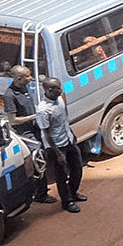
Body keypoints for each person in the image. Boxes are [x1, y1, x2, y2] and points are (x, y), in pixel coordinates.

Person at [2, 65, 56, 204]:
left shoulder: (24, 88)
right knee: (38, 160)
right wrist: (33, 116)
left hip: (35, 129)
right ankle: (40, 194)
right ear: (19, 78)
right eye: (28, 76)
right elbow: (12, 120)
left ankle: (40, 189)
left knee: (46, 154)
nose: (31, 78)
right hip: (25, 134)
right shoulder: (10, 95)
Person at [36, 77, 86, 213]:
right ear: (50, 90)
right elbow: (46, 134)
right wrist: (58, 153)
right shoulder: (43, 110)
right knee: (62, 176)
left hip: (69, 140)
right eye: (58, 88)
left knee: (77, 169)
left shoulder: (59, 99)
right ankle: (67, 201)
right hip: (57, 147)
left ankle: (73, 193)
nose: (61, 90)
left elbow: (64, 119)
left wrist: (72, 134)